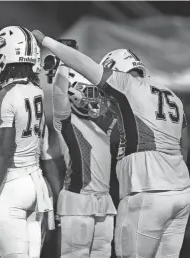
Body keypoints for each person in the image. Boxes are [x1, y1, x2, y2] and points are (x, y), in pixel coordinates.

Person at [33, 30, 190, 257]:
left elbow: (84, 65)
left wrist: (50, 44)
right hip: (181, 191)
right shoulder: (170, 95)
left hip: (148, 190)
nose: (104, 98)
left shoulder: (124, 85)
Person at [0, 26, 53, 258]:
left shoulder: (4, 97)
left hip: (11, 185)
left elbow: (2, 151)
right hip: (36, 183)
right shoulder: (36, 91)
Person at [51, 65, 117, 257]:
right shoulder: (66, 121)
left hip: (104, 201)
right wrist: (63, 64)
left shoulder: (103, 125)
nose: (96, 97)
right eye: (90, 92)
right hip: (77, 201)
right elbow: (58, 92)